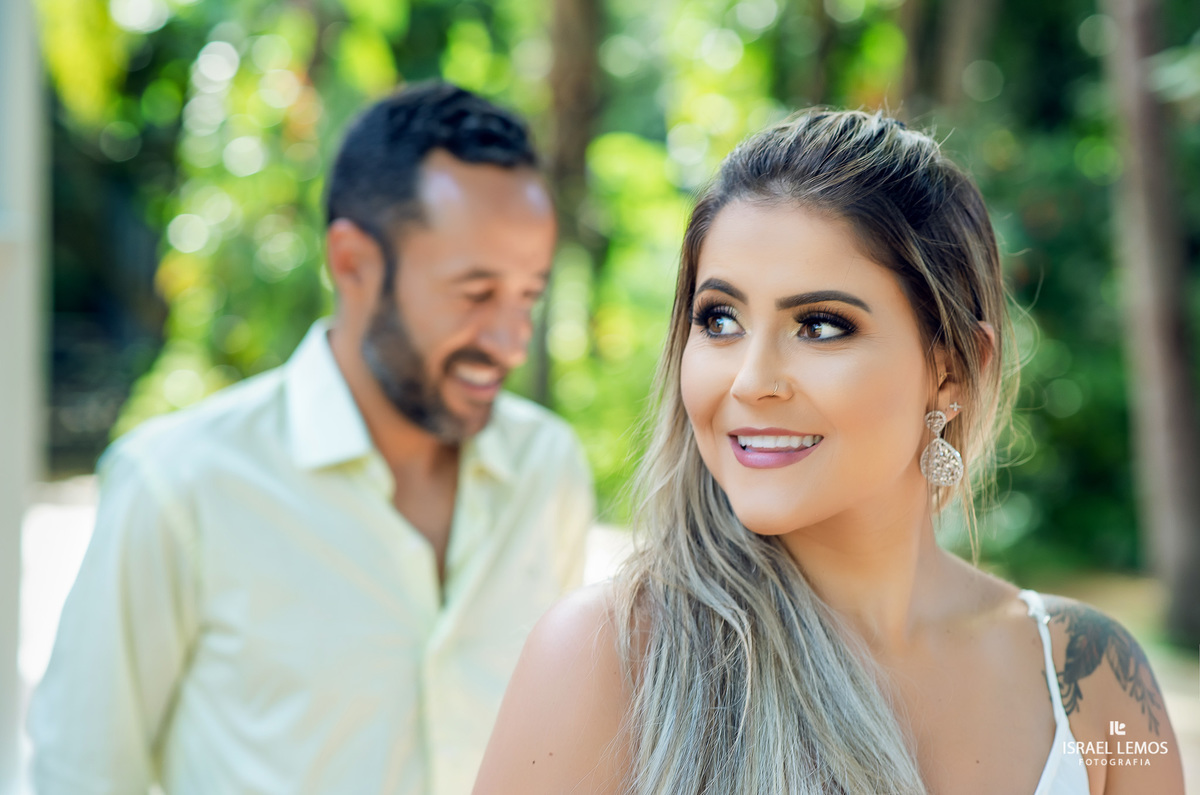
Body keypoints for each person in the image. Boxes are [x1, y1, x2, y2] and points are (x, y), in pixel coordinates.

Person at [473, 110, 1184, 794]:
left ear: (952, 370)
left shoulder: (1097, 679)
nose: (750, 381)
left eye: (818, 326)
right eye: (719, 319)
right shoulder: (604, 657)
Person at [29, 81, 594, 795]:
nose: (512, 341)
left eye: (528, 296)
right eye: (475, 293)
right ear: (353, 262)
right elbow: (79, 776)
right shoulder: (178, 485)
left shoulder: (548, 471)